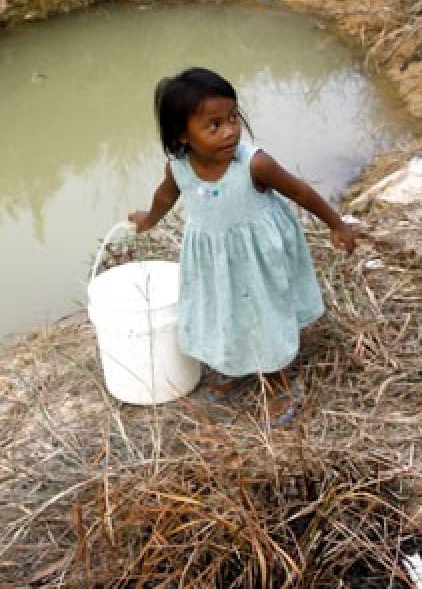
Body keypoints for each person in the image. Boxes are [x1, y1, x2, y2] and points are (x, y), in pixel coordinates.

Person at [128, 67, 356, 425]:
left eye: (233, 118)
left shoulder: (255, 164)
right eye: (214, 125)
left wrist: (337, 225)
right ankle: (237, 367)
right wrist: (148, 219)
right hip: (214, 258)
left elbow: (301, 191)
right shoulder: (179, 168)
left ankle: (279, 381)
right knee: (224, 309)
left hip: (258, 255)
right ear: (182, 136)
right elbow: (165, 196)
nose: (231, 130)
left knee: (263, 312)